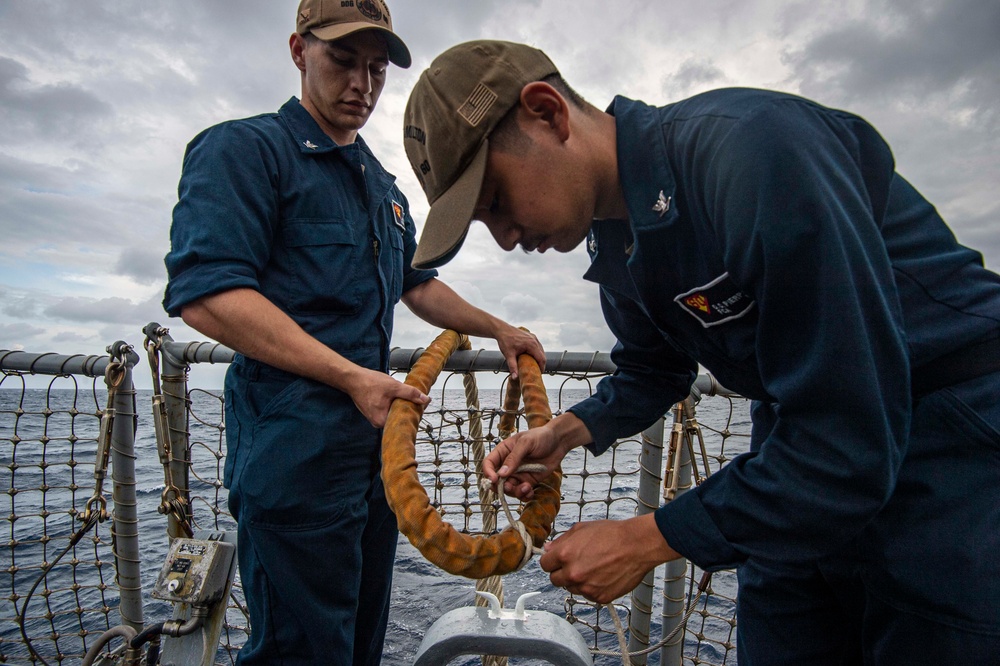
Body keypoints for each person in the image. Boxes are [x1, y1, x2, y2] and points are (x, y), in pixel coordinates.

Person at [401, 39, 1000, 663]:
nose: (506, 236)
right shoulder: (616, 246)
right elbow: (654, 370)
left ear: (549, 113)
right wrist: (565, 433)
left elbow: (849, 437)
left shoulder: (754, 151)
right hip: (799, 451)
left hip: (952, 443)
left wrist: (645, 539)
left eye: (494, 201)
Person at [162, 11, 544, 664]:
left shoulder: (384, 188)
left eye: (375, 68)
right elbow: (207, 296)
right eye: (344, 60)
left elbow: (417, 283)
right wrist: (349, 377)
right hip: (294, 461)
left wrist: (497, 328)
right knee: (301, 653)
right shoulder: (245, 150)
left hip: (373, 470)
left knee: (359, 648)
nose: (362, 83)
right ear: (297, 51)